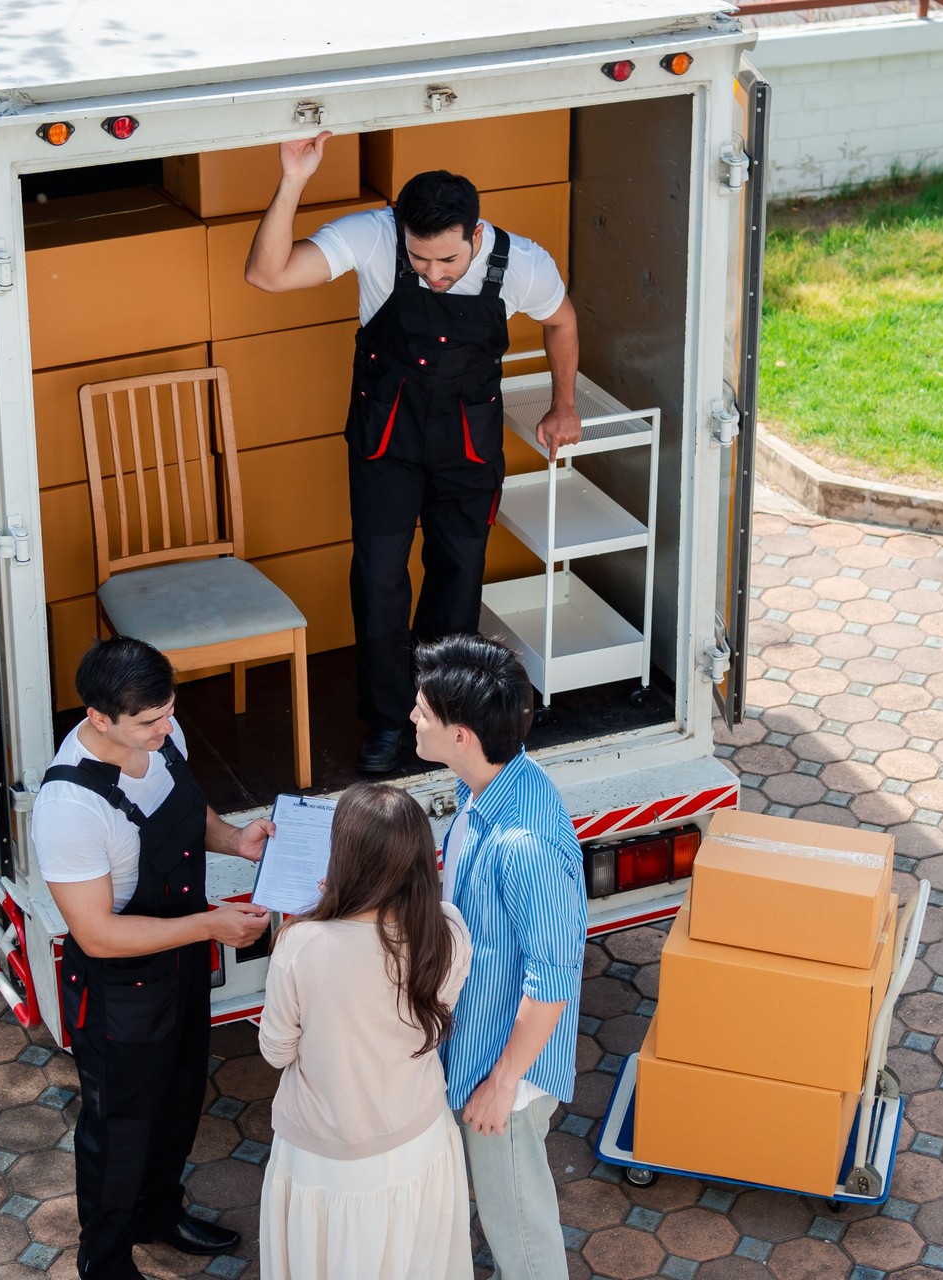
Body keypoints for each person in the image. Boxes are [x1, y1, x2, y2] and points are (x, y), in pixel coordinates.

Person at [245, 133, 584, 775]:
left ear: (476, 232)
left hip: (466, 442)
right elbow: (267, 274)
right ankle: (385, 719)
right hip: (386, 438)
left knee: (456, 581)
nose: (433, 273)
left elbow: (562, 320)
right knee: (378, 581)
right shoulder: (374, 235)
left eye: (448, 261)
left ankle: (441, 717)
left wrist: (563, 405)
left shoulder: (523, 263)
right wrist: (293, 179)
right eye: (420, 259)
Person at [32, 637, 274, 1280]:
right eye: (150, 721)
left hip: (183, 961)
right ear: (98, 718)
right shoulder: (69, 807)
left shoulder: (159, 736)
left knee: (179, 1099)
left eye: (168, 712)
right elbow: (98, 934)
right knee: (120, 1131)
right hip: (121, 992)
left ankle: (159, 1214)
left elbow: (187, 815)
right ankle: (104, 1259)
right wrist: (212, 925)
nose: (167, 729)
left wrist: (236, 841)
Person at [411, 634, 585, 1278]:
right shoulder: (495, 784)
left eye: (423, 712)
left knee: (521, 1233)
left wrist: (504, 1083)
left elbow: (554, 974)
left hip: (503, 1075)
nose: (412, 720)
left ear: (461, 735)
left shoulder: (523, 842)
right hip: (479, 1052)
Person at [256, 783, 475, 1279]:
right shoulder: (448, 930)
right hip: (418, 1140)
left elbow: (275, 1051)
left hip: (325, 1158)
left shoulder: (302, 944)